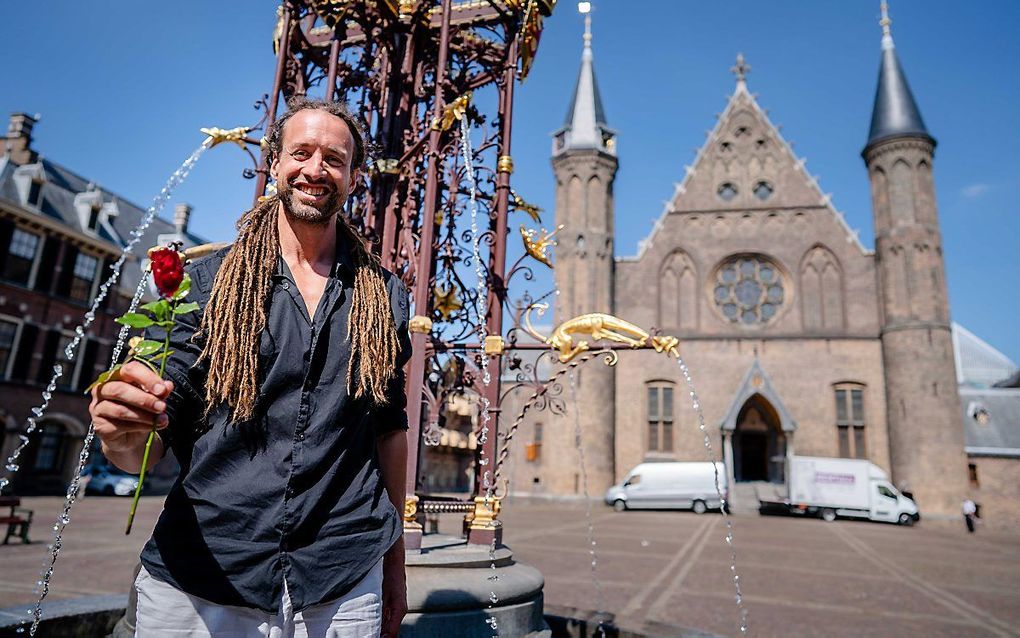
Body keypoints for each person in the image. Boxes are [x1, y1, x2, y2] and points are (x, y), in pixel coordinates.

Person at [89, 97, 413, 638]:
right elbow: (150, 427)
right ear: (276, 165)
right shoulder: (210, 282)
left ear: (353, 178)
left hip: (343, 577)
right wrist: (122, 429)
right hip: (206, 574)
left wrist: (394, 563)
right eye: (301, 153)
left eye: (334, 159)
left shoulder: (384, 298)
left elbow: (389, 432)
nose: (315, 169)